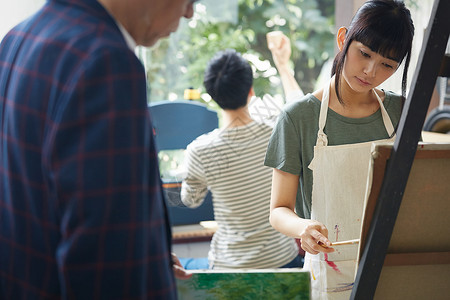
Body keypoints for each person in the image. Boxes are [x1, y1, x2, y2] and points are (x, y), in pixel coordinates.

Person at [0, 0, 197, 298]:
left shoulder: (17, 40)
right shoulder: (105, 61)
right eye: (191, 0)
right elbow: (105, 264)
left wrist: (149, 257)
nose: (189, 12)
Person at [264, 0, 414, 299]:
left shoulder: (402, 112)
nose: (371, 71)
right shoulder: (298, 117)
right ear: (343, 39)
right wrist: (304, 228)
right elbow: (278, 210)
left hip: (394, 265)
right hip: (328, 268)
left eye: (387, 64)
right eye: (364, 54)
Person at [180, 45, 304, 269]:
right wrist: (283, 65)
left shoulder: (199, 151)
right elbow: (299, 106)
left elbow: (190, 200)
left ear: (212, 94)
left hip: (230, 268)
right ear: (250, 90)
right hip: (284, 262)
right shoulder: (277, 129)